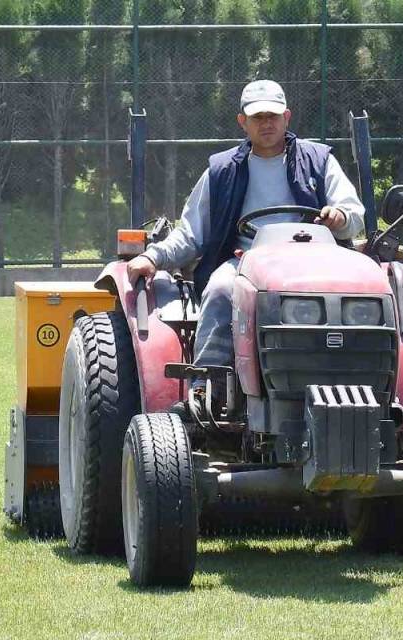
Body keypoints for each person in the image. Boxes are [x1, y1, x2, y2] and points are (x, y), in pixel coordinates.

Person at [126, 79, 366, 414]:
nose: (267, 123)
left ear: (287, 117)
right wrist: (154, 256)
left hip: (314, 265)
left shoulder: (319, 161)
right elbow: (191, 233)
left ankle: (363, 386)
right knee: (221, 289)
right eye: (258, 117)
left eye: (273, 116)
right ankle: (206, 389)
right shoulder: (222, 171)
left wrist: (339, 216)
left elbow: (354, 214)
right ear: (243, 122)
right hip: (245, 263)